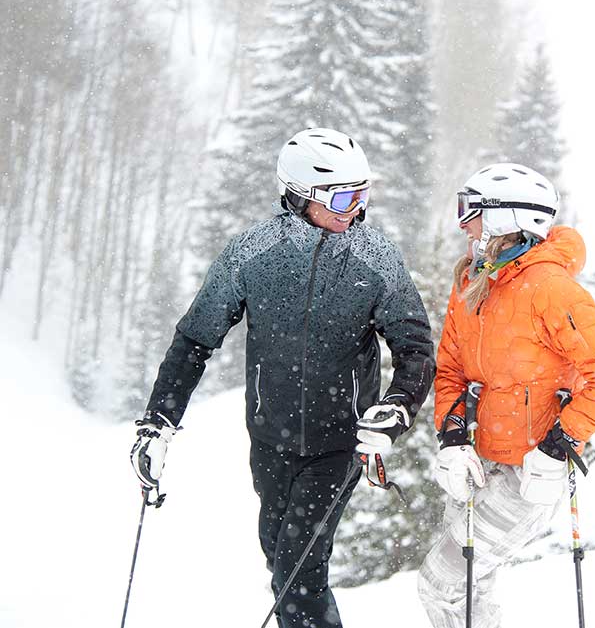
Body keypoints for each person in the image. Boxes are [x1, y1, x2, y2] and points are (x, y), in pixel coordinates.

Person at [129, 128, 435, 628]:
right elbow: (194, 341)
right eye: (343, 195)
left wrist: (396, 409)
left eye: (362, 194)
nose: (354, 208)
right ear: (301, 194)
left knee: (297, 571)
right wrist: (158, 422)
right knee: (281, 559)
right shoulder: (251, 253)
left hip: (342, 441)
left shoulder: (377, 261)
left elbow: (415, 349)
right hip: (269, 438)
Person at [417, 163, 595, 627]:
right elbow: (452, 369)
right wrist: (452, 437)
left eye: (470, 211)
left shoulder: (552, 291)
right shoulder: (472, 282)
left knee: (442, 582)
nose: (463, 223)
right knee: (475, 587)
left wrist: (559, 446)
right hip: (478, 461)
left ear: (505, 219)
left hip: (530, 474)